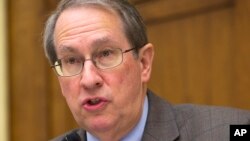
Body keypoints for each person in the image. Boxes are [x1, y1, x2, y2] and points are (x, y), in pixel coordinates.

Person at [43, 0, 250, 141]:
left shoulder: (232, 130)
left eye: (105, 54)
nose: (88, 79)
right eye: (71, 60)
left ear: (144, 63)